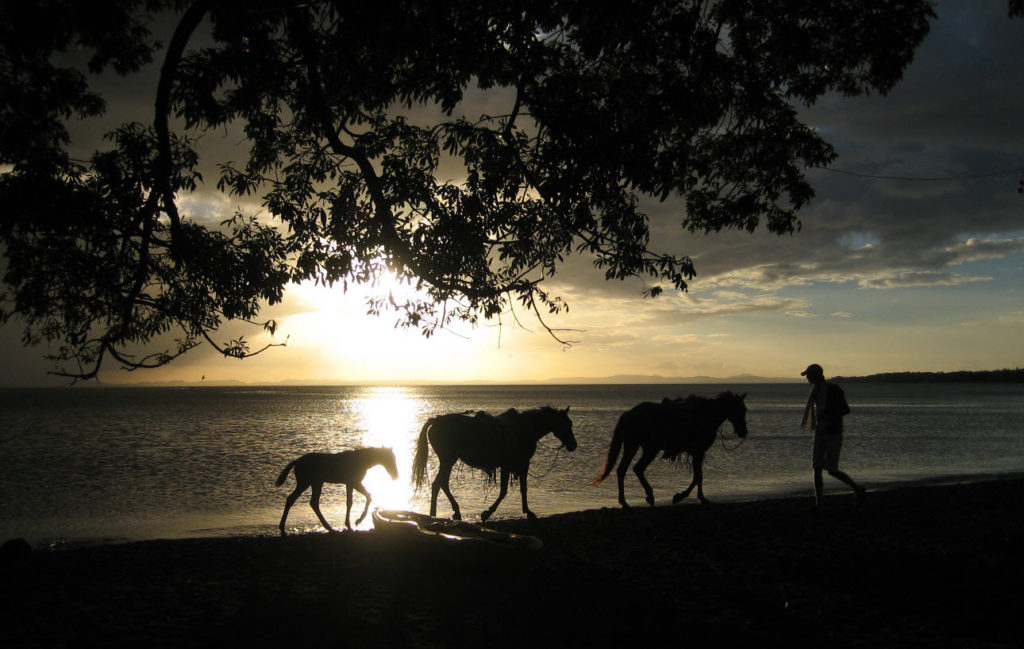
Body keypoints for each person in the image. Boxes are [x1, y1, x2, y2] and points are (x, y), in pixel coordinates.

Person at [801, 363, 866, 508]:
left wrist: (829, 417)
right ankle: (819, 503)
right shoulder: (815, 391)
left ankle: (857, 488)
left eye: (809, 376)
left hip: (833, 434)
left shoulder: (833, 389)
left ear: (816, 375)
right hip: (820, 433)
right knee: (817, 468)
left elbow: (845, 409)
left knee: (831, 470)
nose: (807, 379)